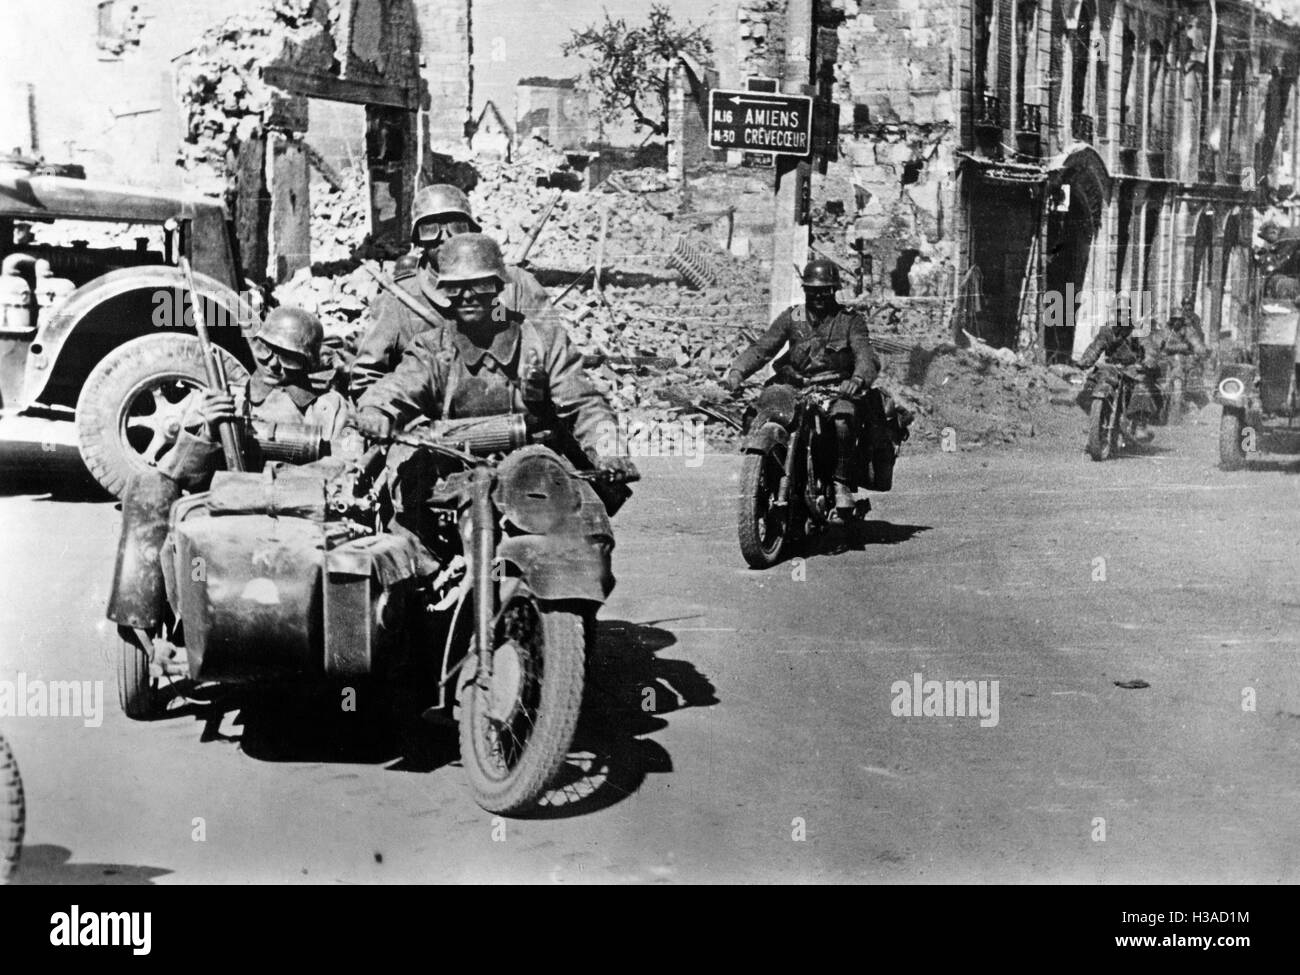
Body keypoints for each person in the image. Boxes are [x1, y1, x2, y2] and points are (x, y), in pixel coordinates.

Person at [352, 232, 629, 472]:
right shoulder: (433, 347)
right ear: (444, 292)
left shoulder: (539, 339)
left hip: (534, 468)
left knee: (584, 527)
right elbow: (399, 386)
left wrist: (609, 451)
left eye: (480, 285)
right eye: (456, 287)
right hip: (452, 471)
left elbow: (583, 402)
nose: (468, 296)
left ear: (498, 286)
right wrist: (377, 410)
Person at [348, 184, 553, 395]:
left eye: (456, 226)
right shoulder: (398, 300)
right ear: (418, 239)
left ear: (472, 230)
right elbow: (367, 380)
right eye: (430, 229)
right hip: (434, 421)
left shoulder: (515, 285)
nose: (445, 237)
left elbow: (555, 353)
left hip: (517, 415)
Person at [721, 258, 881, 515]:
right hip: (795, 386)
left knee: (843, 418)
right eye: (813, 290)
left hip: (835, 388)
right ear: (805, 290)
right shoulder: (792, 316)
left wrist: (857, 380)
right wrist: (737, 372)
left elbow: (865, 355)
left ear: (834, 290)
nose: (819, 296)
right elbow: (763, 348)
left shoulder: (849, 320)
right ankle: (767, 471)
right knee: (763, 411)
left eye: (825, 290)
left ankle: (840, 482)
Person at [159, 306, 355, 490]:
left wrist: (274, 481)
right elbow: (178, 475)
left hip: (300, 511)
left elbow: (348, 466)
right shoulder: (226, 400)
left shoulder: (331, 406)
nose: (273, 364)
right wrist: (207, 433)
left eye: (287, 357)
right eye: (265, 351)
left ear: (308, 361)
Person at [1074, 310, 1161, 438]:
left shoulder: (1137, 330)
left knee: (1142, 387)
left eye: (1126, 313)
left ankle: (1139, 424)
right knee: (1091, 384)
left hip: (1132, 368)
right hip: (1112, 366)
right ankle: (1095, 420)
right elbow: (1096, 347)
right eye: (1120, 312)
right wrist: (1085, 361)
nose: (1123, 316)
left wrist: (1149, 359)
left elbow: (1148, 346)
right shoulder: (1108, 330)